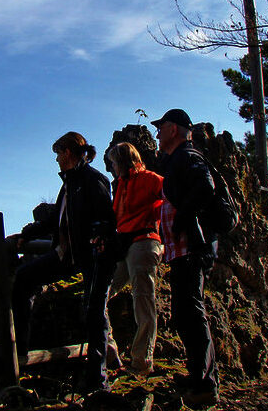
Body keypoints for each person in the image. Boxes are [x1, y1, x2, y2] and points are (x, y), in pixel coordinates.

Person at [11, 132, 116, 392]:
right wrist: (27, 234)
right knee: (23, 279)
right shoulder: (69, 184)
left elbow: (107, 219)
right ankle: (19, 350)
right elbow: (54, 221)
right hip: (66, 256)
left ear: (68, 152)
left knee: (94, 314)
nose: (56, 159)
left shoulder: (94, 180)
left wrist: (97, 242)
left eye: (58, 153)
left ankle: (97, 381)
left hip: (93, 257)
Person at [151, 109, 220, 407]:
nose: (156, 132)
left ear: (175, 129)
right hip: (184, 250)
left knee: (190, 313)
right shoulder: (177, 158)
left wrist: (182, 221)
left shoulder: (187, 156)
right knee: (185, 313)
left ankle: (204, 385)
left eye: (161, 126)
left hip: (191, 248)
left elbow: (205, 187)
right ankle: (199, 377)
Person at [105, 142, 164, 376]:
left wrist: (162, 232)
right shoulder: (121, 184)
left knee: (143, 302)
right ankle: (111, 354)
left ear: (122, 160)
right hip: (126, 244)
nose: (112, 167)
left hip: (145, 241)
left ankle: (141, 362)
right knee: (101, 294)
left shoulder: (151, 179)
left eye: (113, 162)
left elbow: (172, 200)